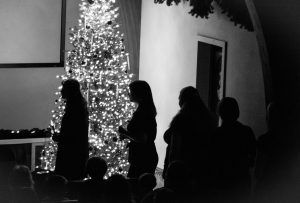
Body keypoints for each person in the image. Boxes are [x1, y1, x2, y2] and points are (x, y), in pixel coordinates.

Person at [164, 86, 216, 198]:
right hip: (201, 167)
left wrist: (170, 169)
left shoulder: (181, 119)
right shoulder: (208, 119)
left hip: (181, 168)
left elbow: (175, 148)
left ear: (183, 100)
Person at [211, 97, 256, 202]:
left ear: (220, 113)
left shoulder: (215, 135)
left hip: (221, 183)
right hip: (242, 183)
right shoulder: (247, 132)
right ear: (237, 112)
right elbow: (252, 160)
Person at [119, 80, 159, 178]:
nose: (129, 94)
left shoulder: (142, 112)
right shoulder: (144, 110)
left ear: (139, 93)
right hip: (144, 156)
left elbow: (142, 139)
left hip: (143, 158)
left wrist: (125, 133)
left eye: (131, 91)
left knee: (137, 188)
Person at [53, 79, 89, 181]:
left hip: (71, 155)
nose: (61, 91)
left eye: (64, 89)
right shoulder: (78, 105)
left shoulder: (75, 108)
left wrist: (59, 138)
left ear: (70, 91)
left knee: (70, 181)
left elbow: (73, 133)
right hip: (76, 152)